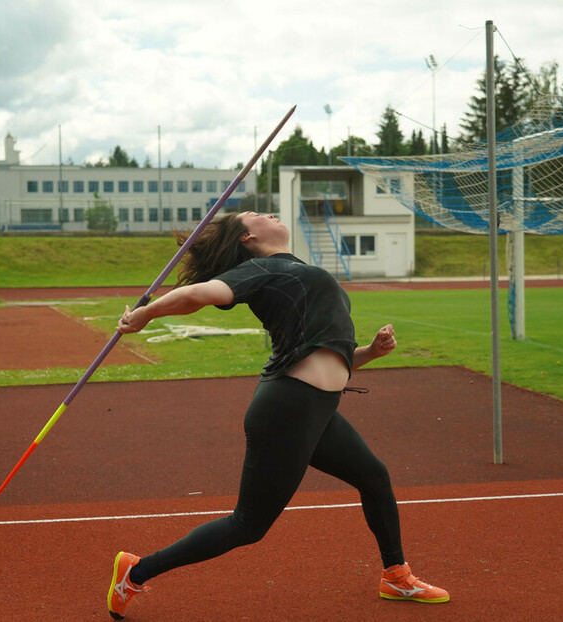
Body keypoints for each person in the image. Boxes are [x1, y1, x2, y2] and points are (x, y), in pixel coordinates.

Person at [108, 211, 448, 619]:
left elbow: (330, 357)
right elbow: (196, 295)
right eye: (257, 214)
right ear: (249, 236)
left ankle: (396, 575)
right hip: (287, 409)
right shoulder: (260, 269)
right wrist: (145, 314)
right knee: (248, 525)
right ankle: (135, 572)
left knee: (374, 477)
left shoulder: (294, 272)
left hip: (317, 409)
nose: (269, 212)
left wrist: (371, 353)